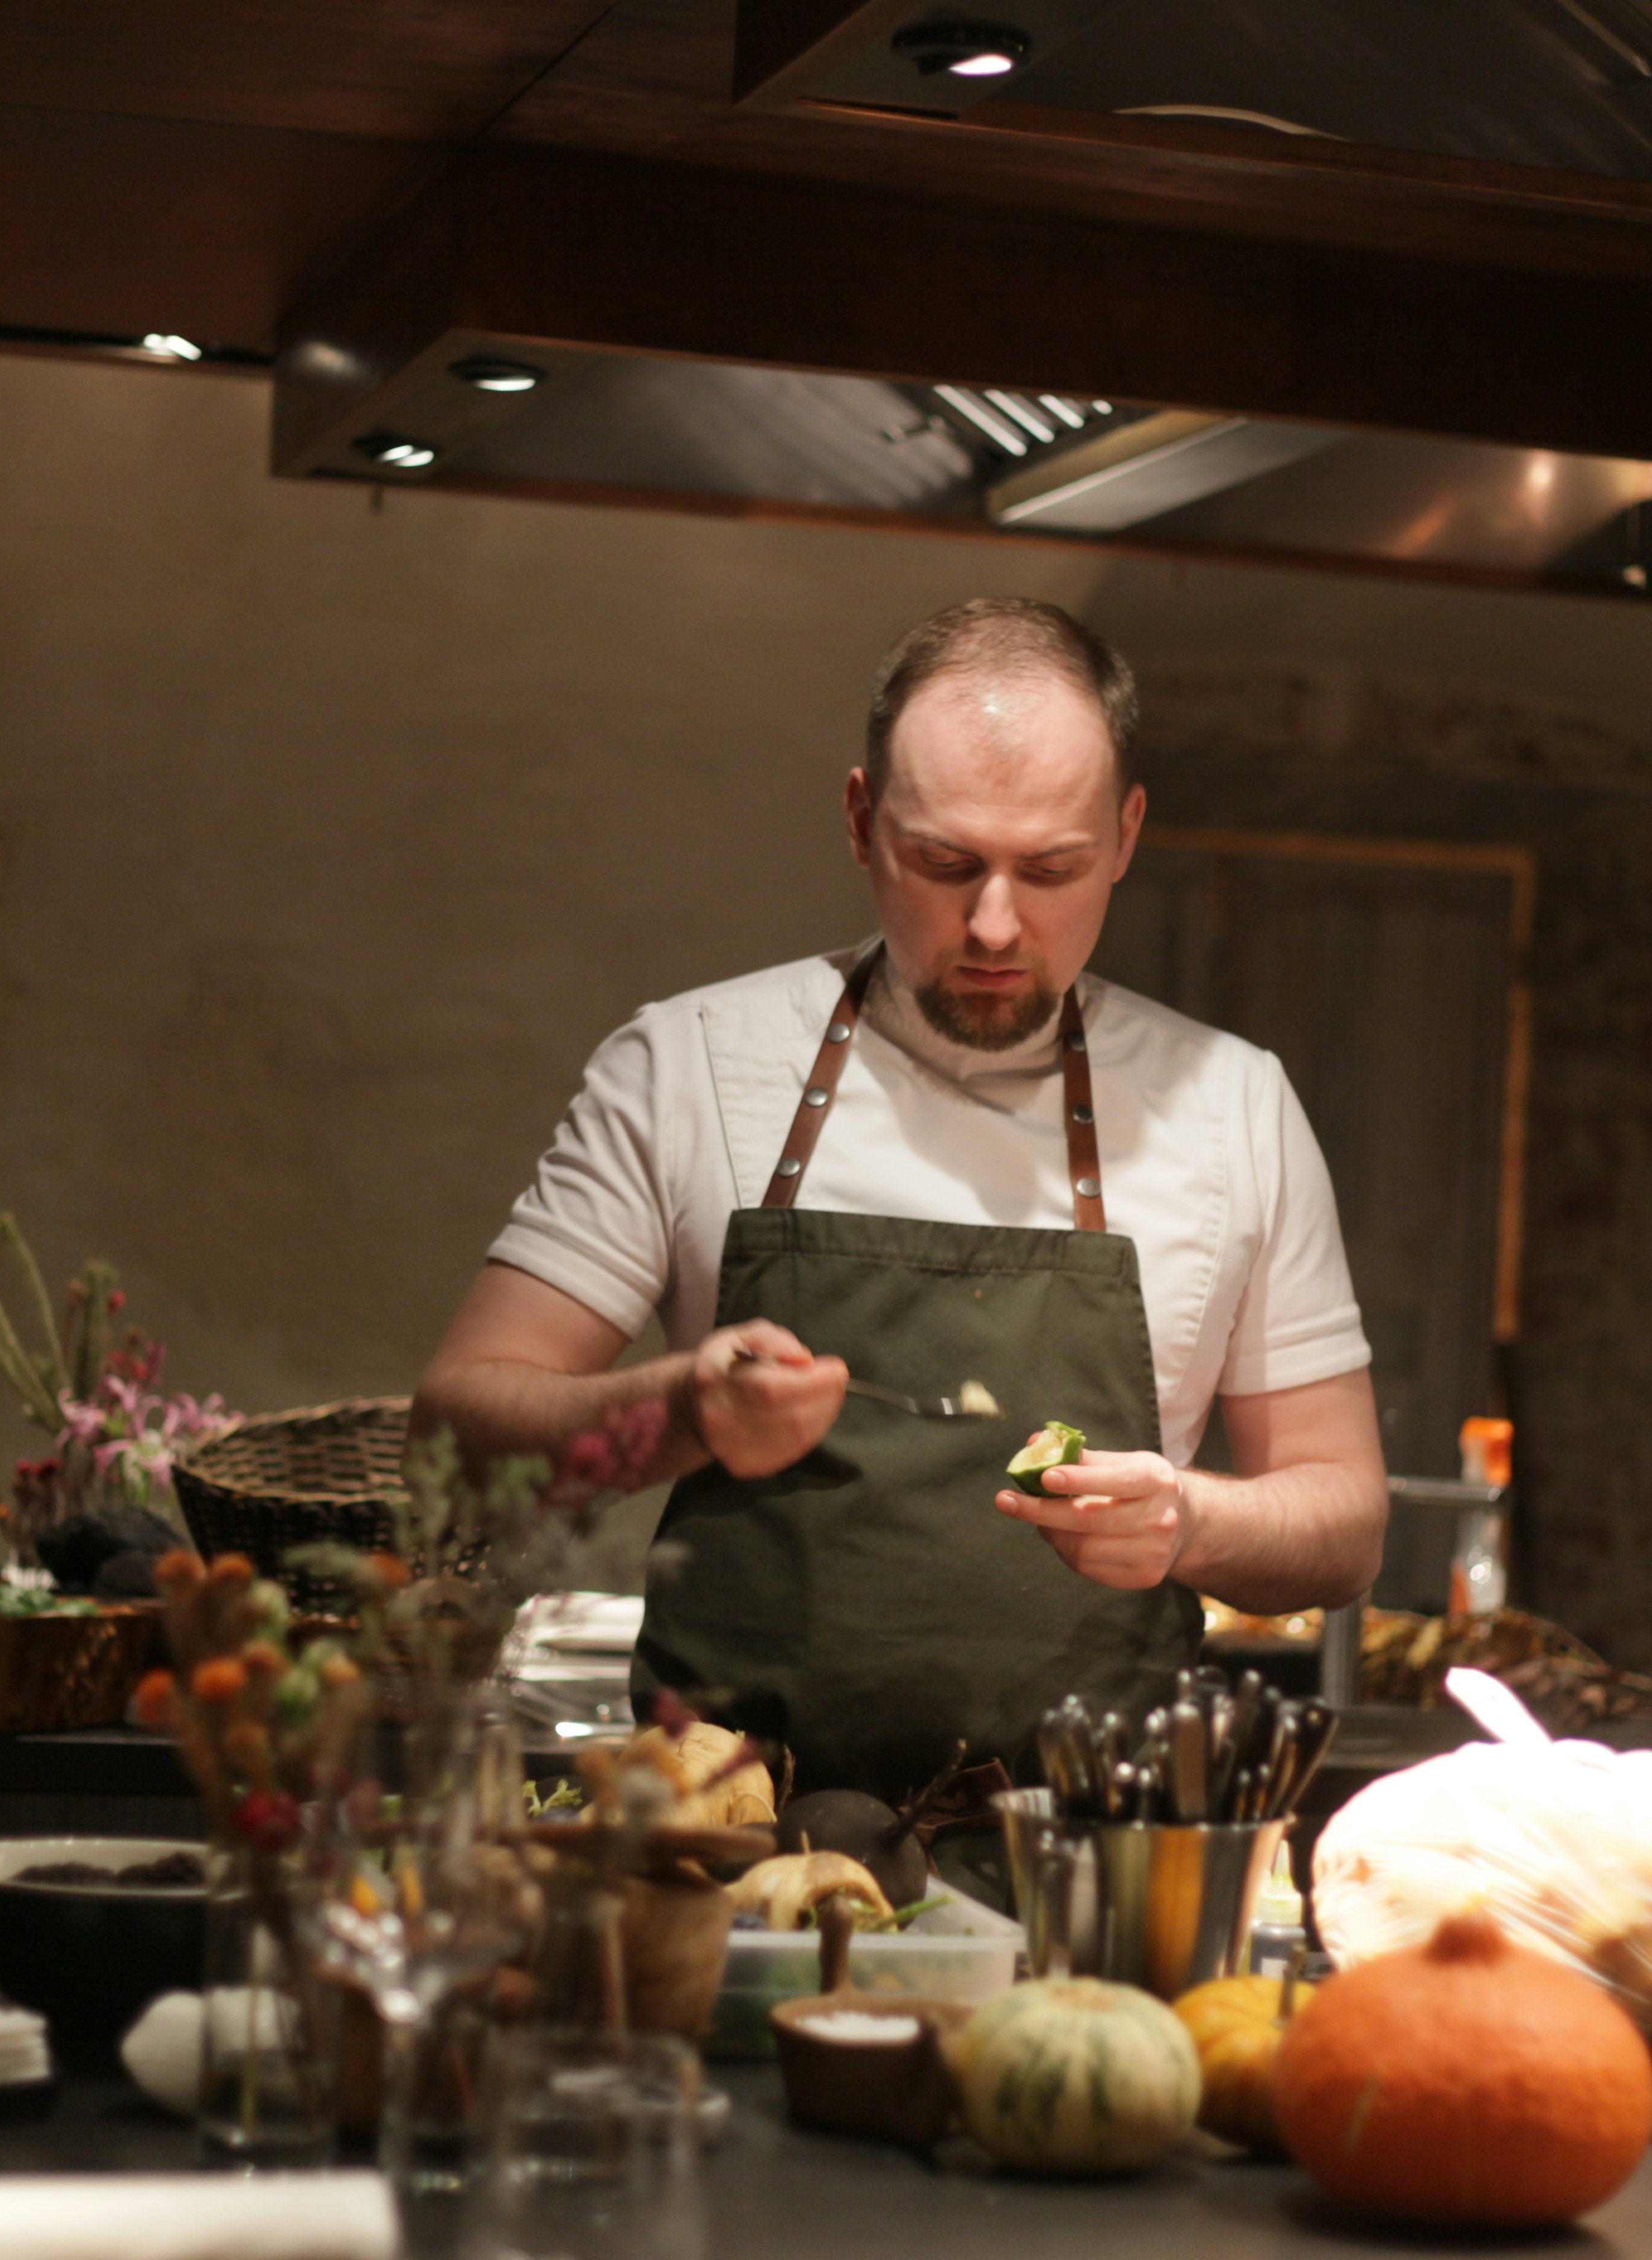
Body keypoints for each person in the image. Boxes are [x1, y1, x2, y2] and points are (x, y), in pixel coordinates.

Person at [413, 597, 1386, 1798]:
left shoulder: (1233, 1104)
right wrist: (684, 1411)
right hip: (724, 1849)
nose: (993, 925)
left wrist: (1188, 1520)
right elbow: (454, 1441)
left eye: (1052, 871)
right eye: (944, 864)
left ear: (1127, 836)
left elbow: (1345, 1521)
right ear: (863, 821)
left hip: (1084, 1851)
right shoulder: (690, 1064)